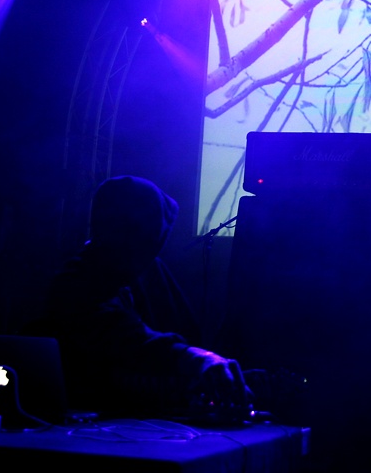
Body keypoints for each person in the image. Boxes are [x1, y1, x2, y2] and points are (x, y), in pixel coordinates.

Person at [38, 175, 249, 419]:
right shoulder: (74, 281)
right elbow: (119, 336)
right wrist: (191, 357)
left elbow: (182, 338)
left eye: (141, 234)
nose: (131, 242)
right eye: (124, 229)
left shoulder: (149, 270)